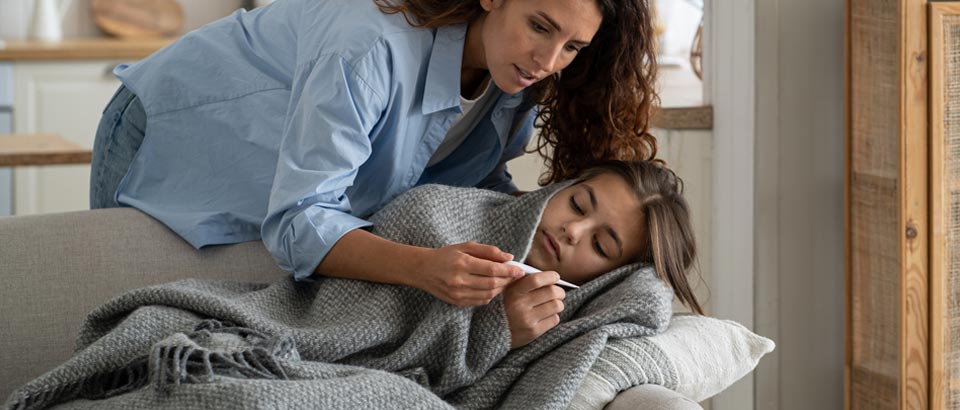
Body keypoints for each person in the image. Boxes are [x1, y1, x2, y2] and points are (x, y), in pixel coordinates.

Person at [89, 0, 661, 309]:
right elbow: (298, 218)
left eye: (572, 47)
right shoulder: (369, 47)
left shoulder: (516, 81)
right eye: (540, 26)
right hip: (169, 125)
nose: (548, 59)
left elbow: (477, 182)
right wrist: (424, 269)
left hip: (277, 170)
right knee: (124, 310)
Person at [493, 160, 703, 347]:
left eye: (599, 245)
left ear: (611, 279)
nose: (573, 231)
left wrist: (498, 333)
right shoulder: (473, 208)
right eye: (577, 205)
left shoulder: (564, 337)